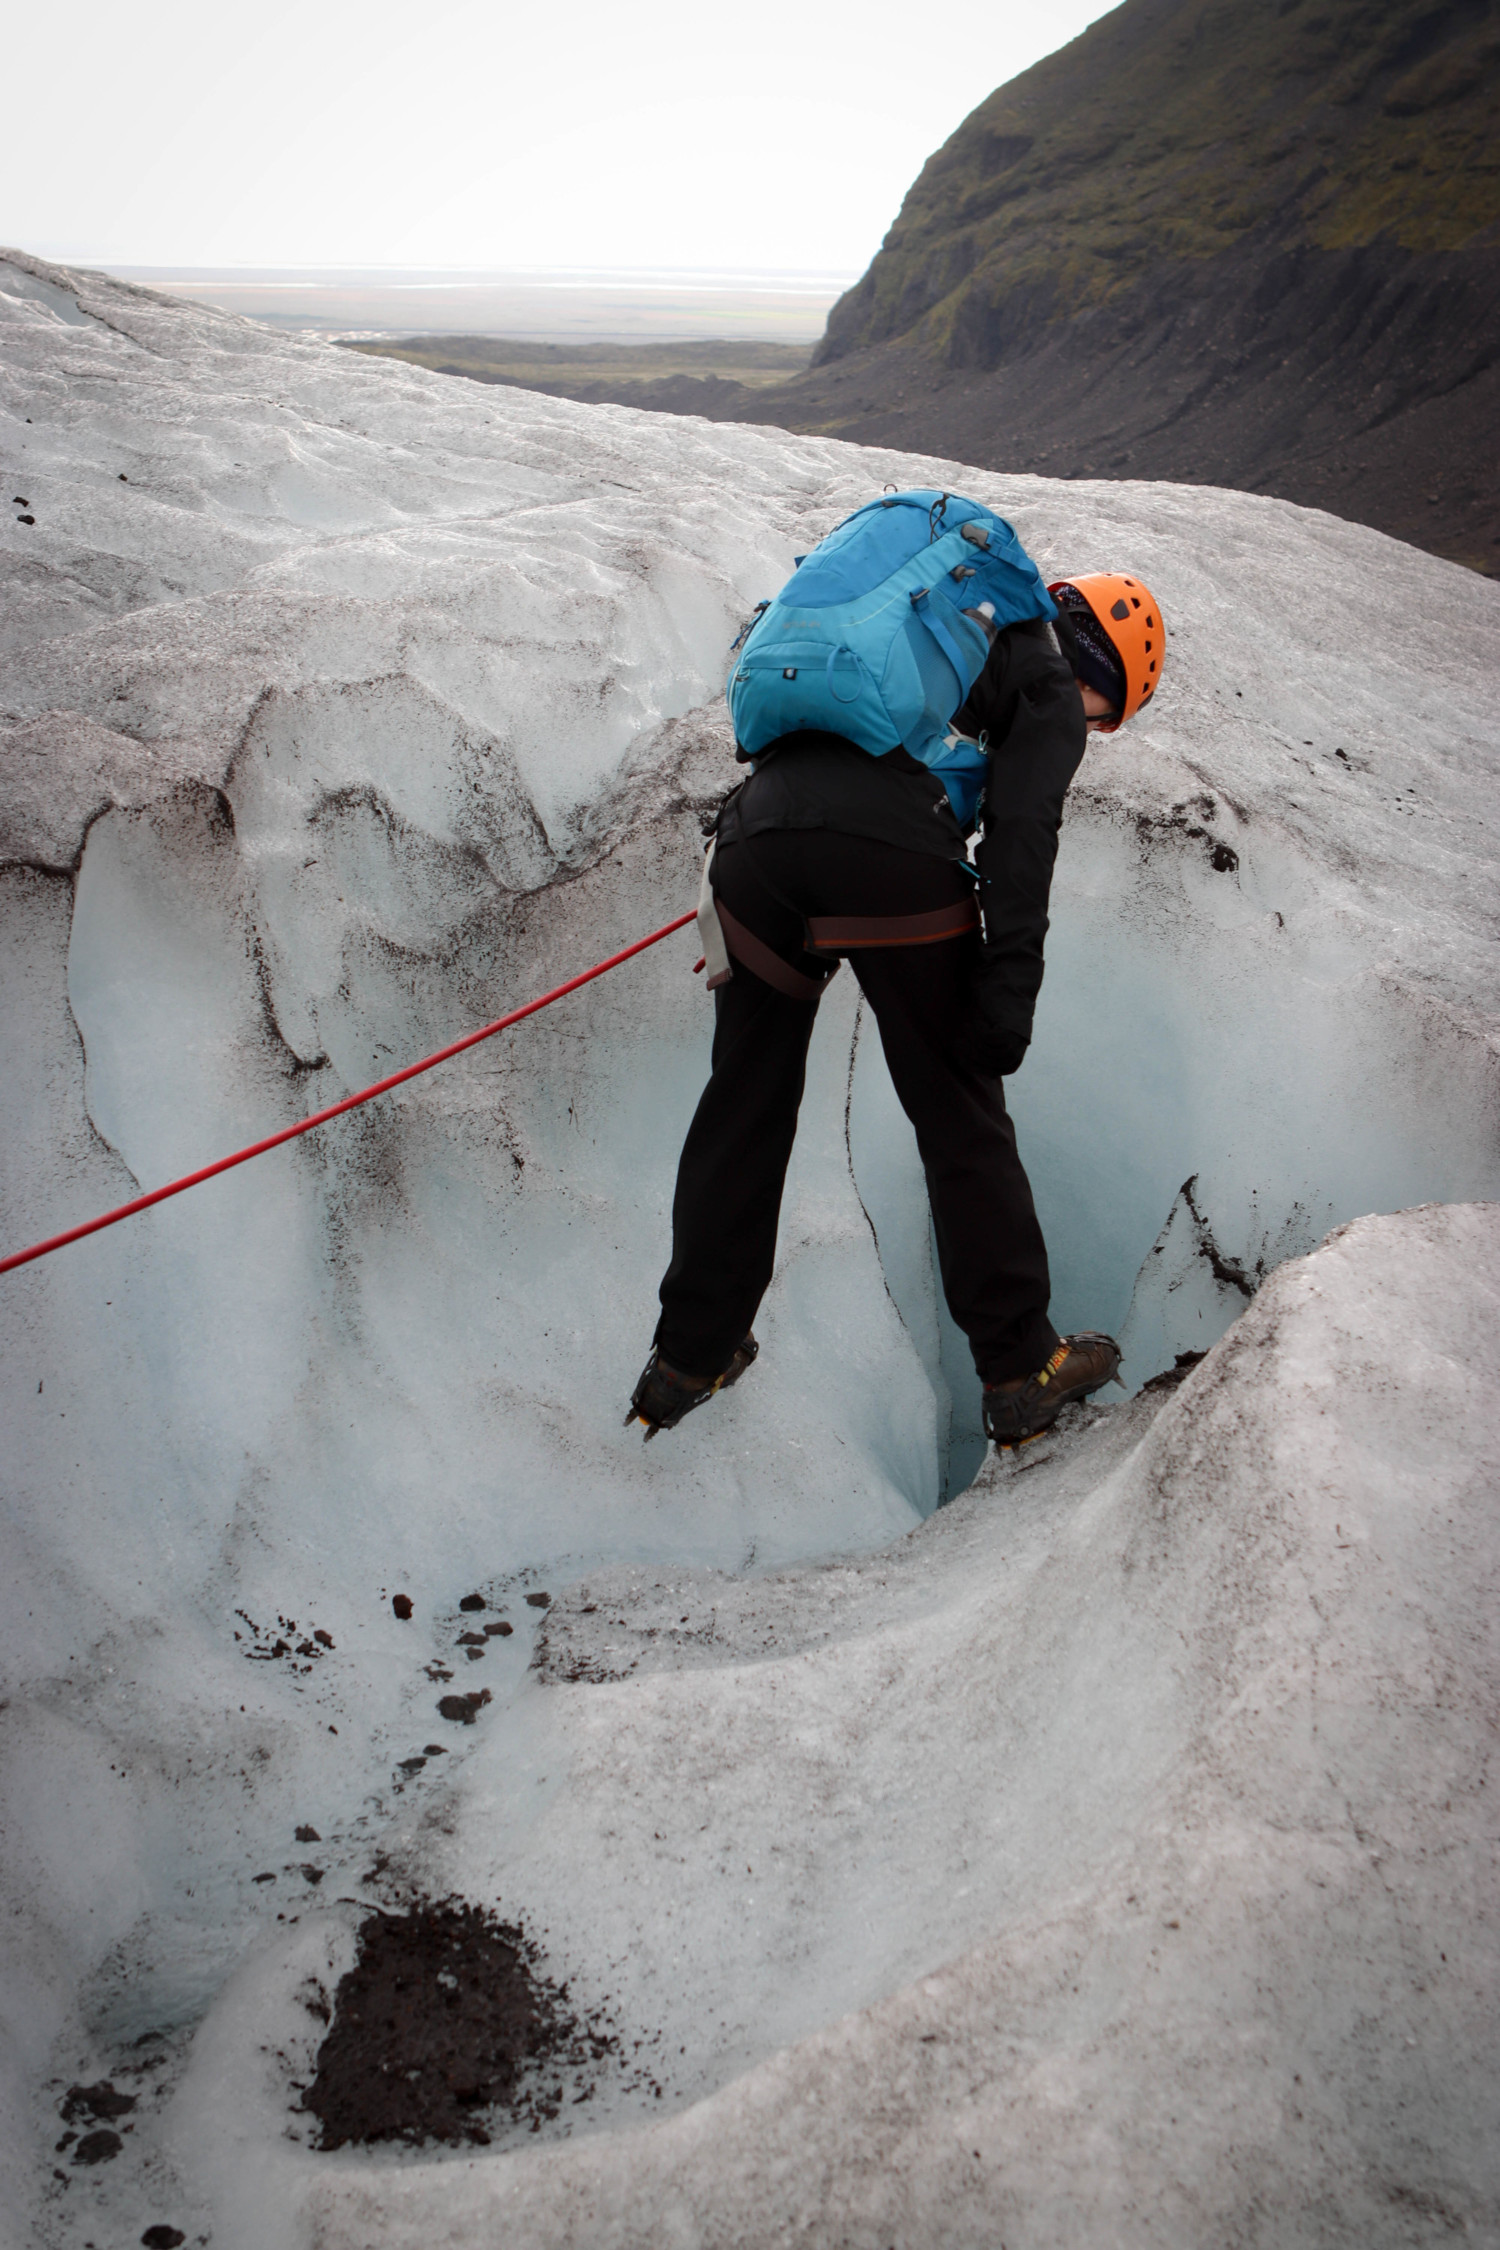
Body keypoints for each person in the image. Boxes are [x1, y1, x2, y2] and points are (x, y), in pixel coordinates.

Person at [626, 518, 1165, 1453]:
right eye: (1099, 717)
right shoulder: (1044, 675)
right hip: (886, 855)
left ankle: (688, 1356)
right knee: (959, 1111)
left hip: (753, 843)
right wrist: (1007, 992)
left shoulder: (932, 633)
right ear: (1101, 679)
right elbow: (1023, 832)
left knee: (743, 1102)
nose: (1086, 728)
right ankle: (1020, 1369)